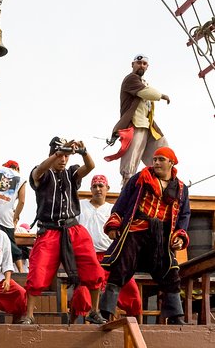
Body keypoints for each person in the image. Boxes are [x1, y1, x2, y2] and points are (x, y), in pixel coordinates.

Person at [99, 147, 190, 325]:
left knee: (171, 272)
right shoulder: (140, 179)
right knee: (120, 268)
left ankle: (175, 317)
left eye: (161, 159)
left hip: (162, 236)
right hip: (136, 230)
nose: (156, 162)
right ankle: (104, 313)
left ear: (171, 162)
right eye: (154, 159)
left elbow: (184, 214)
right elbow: (122, 203)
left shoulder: (180, 188)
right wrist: (113, 225)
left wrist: (180, 235)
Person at [21, 136, 105, 325]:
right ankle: (29, 315)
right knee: (38, 271)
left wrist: (83, 152)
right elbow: (40, 170)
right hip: (49, 229)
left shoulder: (71, 174)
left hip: (72, 227)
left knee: (92, 266)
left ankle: (94, 310)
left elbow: (90, 167)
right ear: (53, 154)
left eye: (67, 157)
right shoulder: (41, 173)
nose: (64, 160)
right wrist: (60, 152)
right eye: (60, 156)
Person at [69, 175, 141, 322]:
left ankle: (137, 326)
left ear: (107, 188)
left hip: (111, 257)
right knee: (82, 294)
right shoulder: (80, 206)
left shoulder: (113, 209)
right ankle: (73, 325)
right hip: (87, 257)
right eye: (94, 186)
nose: (98, 189)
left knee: (131, 289)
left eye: (101, 186)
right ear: (90, 189)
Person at [111, 54, 170, 186]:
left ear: (147, 67)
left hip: (148, 126)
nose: (141, 65)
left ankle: (164, 184)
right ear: (132, 65)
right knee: (131, 163)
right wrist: (162, 95)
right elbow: (148, 93)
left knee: (163, 152)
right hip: (135, 125)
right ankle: (127, 190)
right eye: (138, 63)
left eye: (144, 64)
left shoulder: (143, 82)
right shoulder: (131, 79)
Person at [0, 160, 27, 272]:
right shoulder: (21, 179)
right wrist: (16, 217)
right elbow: (22, 201)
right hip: (6, 216)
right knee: (10, 243)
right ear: (17, 169)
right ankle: (21, 270)